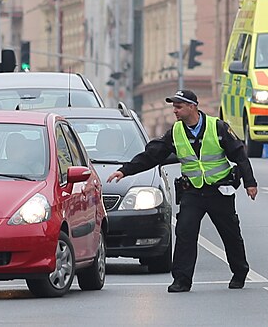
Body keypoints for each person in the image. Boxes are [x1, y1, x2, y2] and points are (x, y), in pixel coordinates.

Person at [107, 90, 258, 293]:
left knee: (230, 235)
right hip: (193, 193)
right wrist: (125, 170)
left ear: (192, 107)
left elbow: (239, 154)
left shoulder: (218, 127)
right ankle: (181, 280)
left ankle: (240, 272)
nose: (175, 111)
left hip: (218, 191)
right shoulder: (175, 132)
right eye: (174, 107)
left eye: (178, 107)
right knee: (185, 234)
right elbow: (152, 155)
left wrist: (250, 182)